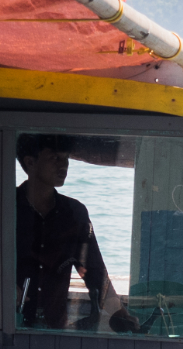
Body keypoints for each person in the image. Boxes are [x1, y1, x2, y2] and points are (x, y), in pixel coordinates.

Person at [14, 133, 135, 332]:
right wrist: (4, 288)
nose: (64, 166)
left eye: (66, 159)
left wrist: (120, 314)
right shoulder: (5, 207)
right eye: (55, 158)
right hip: (8, 326)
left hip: (55, 330)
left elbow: (95, 272)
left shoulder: (74, 213)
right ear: (30, 162)